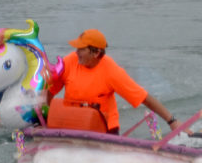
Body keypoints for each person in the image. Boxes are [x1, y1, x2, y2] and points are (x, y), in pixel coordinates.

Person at [48, 29, 186, 135]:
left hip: (104, 129)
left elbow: (145, 98)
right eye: (77, 48)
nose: (76, 52)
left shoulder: (112, 71)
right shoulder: (69, 62)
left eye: (81, 49)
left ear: (95, 53)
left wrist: (172, 121)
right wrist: (42, 117)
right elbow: (49, 91)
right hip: (72, 123)